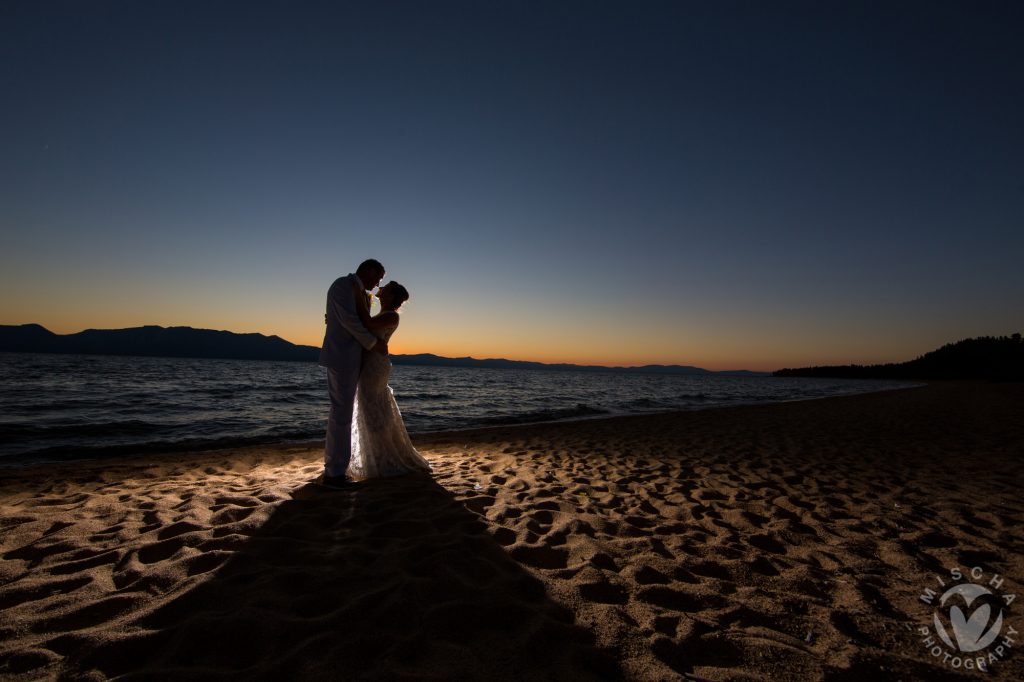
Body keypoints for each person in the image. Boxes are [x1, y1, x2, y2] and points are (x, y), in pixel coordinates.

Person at [348, 281, 432, 479]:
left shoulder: (391, 316)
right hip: (370, 363)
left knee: (371, 408)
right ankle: (376, 455)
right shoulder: (382, 313)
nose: (381, 287)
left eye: (386, 287)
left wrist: (359, 297)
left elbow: (366, 324)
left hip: (375, 366)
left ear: (391, 295)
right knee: (371, 408)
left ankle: (380, 457)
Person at [317, 259, 388, 489]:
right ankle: (334, 474)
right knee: (341, 413)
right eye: (378, 277)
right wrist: (373, 343)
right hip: (342, 357)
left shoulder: (360, 293)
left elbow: (356, 321)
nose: (378, 283)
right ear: (368, 270)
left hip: (354, 358)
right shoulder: (342, 286)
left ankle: (336, 469)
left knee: (343, 412)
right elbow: (350, 322)